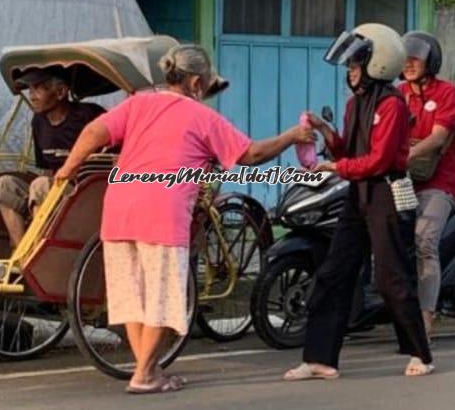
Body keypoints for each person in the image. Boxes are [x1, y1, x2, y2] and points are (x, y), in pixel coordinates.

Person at [55, 44, 314, 394]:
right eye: (206, 84)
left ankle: (149, 369)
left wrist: (68, 170)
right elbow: (250, 154)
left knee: (133, 297)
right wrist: (291, 136)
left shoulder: (138, 103)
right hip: (161, 213)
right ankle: (145, 374)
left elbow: (93, 133)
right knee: (163, 298)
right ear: (195, 82)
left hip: (119, 210)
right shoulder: (200, 116)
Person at [283, 23, 434, 381]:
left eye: (356, 64)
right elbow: (348, 150)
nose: (350, 71)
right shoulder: (355, 104)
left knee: (390, 277)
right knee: (334, 272)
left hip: (386, 193)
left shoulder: (393, 105)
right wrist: (323, 130)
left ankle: (420, 352)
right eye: (350, 65)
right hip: (358, 194)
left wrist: (337, 166)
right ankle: (320, 358)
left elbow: (380, 160)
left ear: (377, 64)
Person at [0, 66, 106, 248]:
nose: (32, 96)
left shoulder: (88, 115)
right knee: (5, 184)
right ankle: (22, 252)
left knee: (41, 184)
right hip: (54, 189)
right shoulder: (39, 122)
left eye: (39, 88)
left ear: (60, 92)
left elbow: (112, 156)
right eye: (30, 90)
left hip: (86, 192)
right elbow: (45, 166)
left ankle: (37, 247)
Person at [399, 31, 455, 339]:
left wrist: (406, 153)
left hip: (439, 183)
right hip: (402, 181)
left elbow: (438, 137)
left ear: (430, 62)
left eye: (416, 59)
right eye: (405, 59)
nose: (409, 64)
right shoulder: (398, 93)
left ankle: (425, 320)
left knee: (424, 242)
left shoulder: (447, 93)